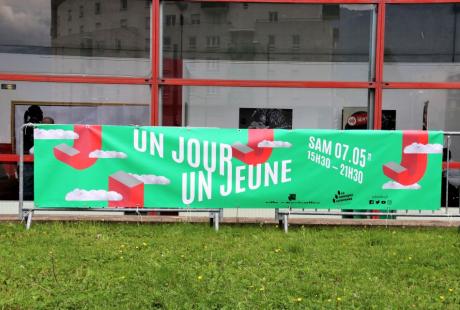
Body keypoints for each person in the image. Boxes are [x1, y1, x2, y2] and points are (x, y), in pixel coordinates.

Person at [22, 105, 43, 200]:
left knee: (35, 180)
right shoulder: (29, 126)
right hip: (30, 156)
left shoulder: (27, 125)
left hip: (35, 156)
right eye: (40, 113)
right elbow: (33, 141)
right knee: (29, 180)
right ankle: (28, 201)